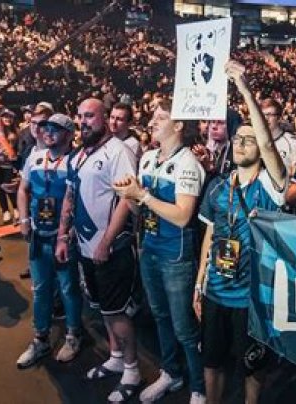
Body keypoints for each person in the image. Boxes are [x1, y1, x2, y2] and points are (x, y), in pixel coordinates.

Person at [193, 60, 287, 404]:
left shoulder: (272, 186)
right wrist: (200, 284)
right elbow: (210, 235)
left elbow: (268, 145)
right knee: (212, 361)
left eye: (250, 140)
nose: (242, 143)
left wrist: (244, 89)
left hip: (252, 298)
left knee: (251, 366)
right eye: (238, 139)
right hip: (216, 292)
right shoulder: (218, 186)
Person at [112, 100, 206, 403]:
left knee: (184, 328)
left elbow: (183, 216)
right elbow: (139, 211)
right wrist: (128, 195)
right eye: (153, 116)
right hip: (150, 249)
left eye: (161, 117)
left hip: (176, 256)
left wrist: (141, 195)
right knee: (160, 317)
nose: (152, 122)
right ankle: (171, 373)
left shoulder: (189, 163)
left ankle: (199, 388)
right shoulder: (148, 158)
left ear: (178, 126)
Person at [55, 98, 140, 403]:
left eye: (89, 116)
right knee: (103, 308)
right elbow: (70, 194)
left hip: (111, 249)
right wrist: (63, 235)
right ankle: (116, 357)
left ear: (104, 117)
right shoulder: (80, 154)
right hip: (85, 247)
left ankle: (132, 370)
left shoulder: (119, 151)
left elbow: (128, 199)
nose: (83, 121)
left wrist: (106, 241)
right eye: (80, 116)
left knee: (116, 312)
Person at [15, 113, 83, 368]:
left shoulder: (76, 160)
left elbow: (78, 198)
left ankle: (73, 335)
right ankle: (40, 337)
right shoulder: (35, 157)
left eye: (55, 128)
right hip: (38, 233)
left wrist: (69, 232)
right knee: (41, 288)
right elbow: (23, 189)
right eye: (45, 128)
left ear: (69, 133)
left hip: (63, 236)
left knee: (68, 288)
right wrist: (24, 219)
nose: (48, 132)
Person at [261, 98, 296, 175]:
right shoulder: (253, 140)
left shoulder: (292, 142)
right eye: (262, 115)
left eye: (269, 115)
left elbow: (295, 172)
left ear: (279, 118)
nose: (265, 118)